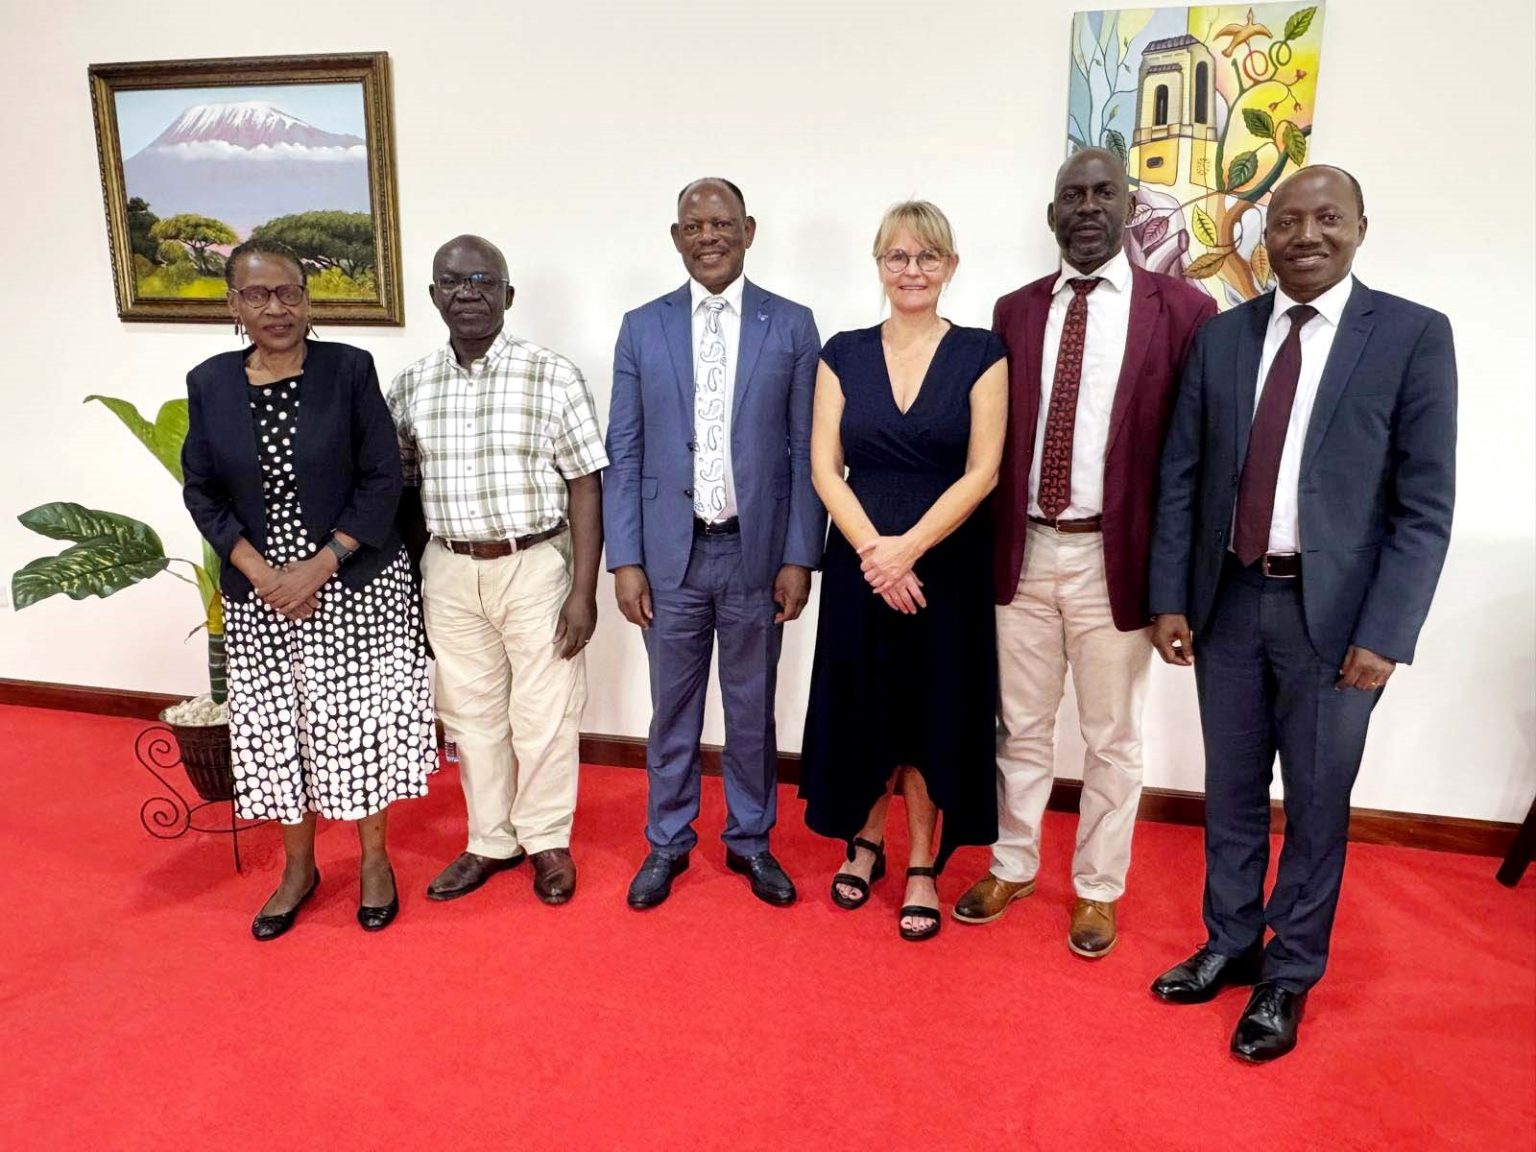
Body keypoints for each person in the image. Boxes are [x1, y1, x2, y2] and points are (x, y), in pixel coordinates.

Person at [1147, 166, 1456, 1061]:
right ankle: (1231, 941)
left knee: (1317, 805)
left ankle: (1289, 974)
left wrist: (1386, 633)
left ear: (1361, 227)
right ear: (1264, 234)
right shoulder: (1223, 337)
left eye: (1328, 218)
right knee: (1232, 791)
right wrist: (1171, 597)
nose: (1306, 235)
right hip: (1229, 603)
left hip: (1339, 625)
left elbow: (1424, 505)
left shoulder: (1411, 335)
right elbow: (1182, 476)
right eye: (1287, 220)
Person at [953, 149, 1217, 958]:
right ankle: (1013, 864)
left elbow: (1193, 460)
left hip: (1117, 558)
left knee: (1111, 738)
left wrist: (1174, 588)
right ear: (1052, 215)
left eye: (1105, 193)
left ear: (1130, 207)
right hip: (1024, 551)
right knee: (1019, 728)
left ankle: (1099, 887)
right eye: (1073, 195)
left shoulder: (1184, 311)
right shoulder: (1013, 311)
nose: (1088, 207)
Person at [182, 238, 436, 940]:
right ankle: (299, 869)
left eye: (289, 292)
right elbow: (202, 491)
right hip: (262, 597)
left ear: (308, 299)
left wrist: (320, 564)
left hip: (354, 584)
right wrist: (263, 574)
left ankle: (375, 860)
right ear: (233, 305)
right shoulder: (209, 383)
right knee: (279, 730)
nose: (276, 307)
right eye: (257, 294)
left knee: (359, 724)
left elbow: (382, 477)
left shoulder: (348, 370)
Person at [605, 178, 823, 910]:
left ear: (748, 230)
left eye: (722, 223)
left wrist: (800, 555)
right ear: (676, 238)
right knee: (672, 710)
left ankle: (751, 839)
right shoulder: (642, 327)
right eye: (694, 226)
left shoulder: (791, 325)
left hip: (755, 555)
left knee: (751, 708)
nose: (709, 237)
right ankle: (667, 841)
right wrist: (624, 559)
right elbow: (625, 449)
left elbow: (807, 450)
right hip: (670, 556)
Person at [799, 201, 1008, 941]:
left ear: (950, 266)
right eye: (898, 256)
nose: (912, 270)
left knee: (931, 709)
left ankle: (922, 859)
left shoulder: (983, 352)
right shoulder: (842, 352)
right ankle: (864, 841)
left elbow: (983, 471)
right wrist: (876, 555)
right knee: (865, 702)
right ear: (879, 265)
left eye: (927, 257)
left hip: (947, 562)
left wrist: (907, 549)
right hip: (860, 561)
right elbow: (824, 468)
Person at [389, 235, 607, 907]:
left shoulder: (553, 375)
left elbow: (586, 484)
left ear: (508, 295)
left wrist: (583, 591)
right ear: (433, 296)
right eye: (452, 282)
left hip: (534, 564)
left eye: (483, 281)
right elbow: (401, 491)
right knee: (470, 714)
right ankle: (490, 839)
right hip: (449, 568)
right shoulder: (410, 386)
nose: (468, 293)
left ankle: (545, 838)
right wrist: (412, 586)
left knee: (545, 713)